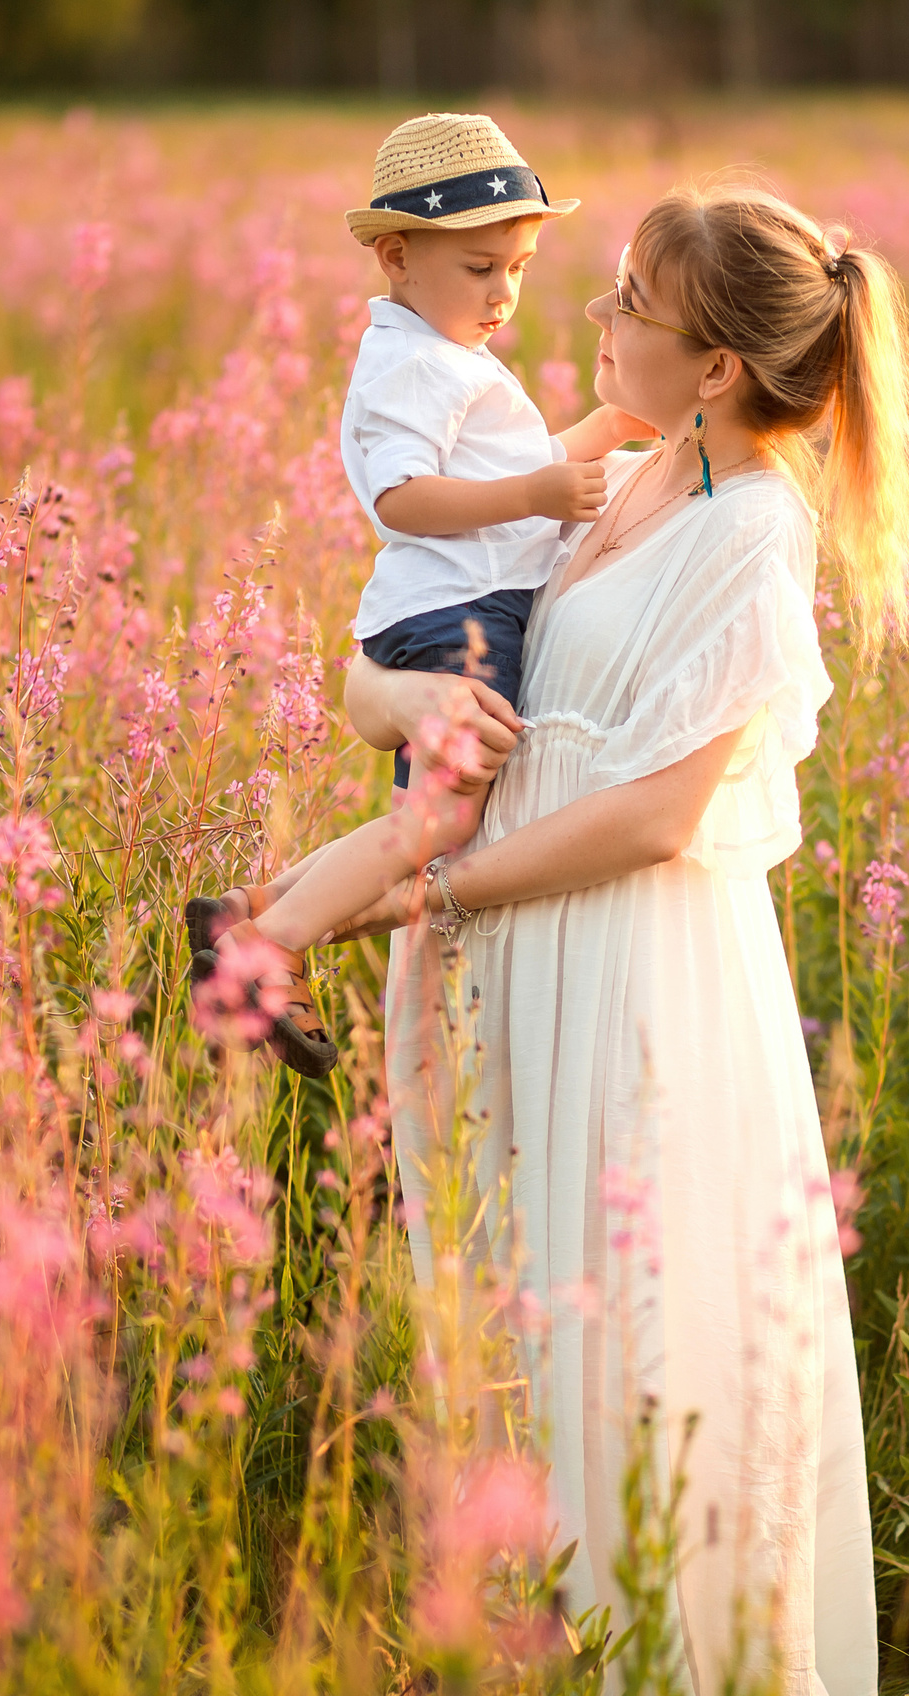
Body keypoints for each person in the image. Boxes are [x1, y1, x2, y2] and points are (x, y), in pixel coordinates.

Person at [345, 181, 909, 1696]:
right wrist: (397, 705)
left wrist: (447, 895)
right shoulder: (631, 478)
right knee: (539, 1358)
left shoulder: (754, 529)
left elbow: (664, 814)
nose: (593, 320)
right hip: (536, 960)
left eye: (627, 304)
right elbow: (389, 654)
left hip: (641, 977)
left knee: (648, 1362)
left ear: (719, 363)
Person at [185, 111, 650, 1075]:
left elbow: (506, 478)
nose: (504, 293)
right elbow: (403, 499)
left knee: (425, 824)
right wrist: (536, 489)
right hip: (456, 620)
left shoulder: (445, 355)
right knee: (434, 828)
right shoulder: (411, 363)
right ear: (396, 257)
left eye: (517, 267)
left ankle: (249, 908)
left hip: (452, 608)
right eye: (481, 268)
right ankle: (262, 953)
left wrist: (594, 435)